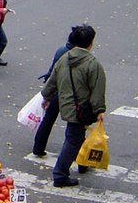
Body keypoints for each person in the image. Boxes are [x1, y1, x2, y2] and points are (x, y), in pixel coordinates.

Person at [41, 24, 107, 187]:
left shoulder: (64, 58)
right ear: (90, 43)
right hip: (82, 108)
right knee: (73, 139)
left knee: (76, 136)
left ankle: (83, 164)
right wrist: (100, 110)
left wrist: (47, 96)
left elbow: (52, 81)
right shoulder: (92, 64)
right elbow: (97, 89)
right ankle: (60, 174)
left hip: (67, 105)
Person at [32, 32, 76, 158]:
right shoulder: (72, 56)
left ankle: (38, 147)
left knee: (48, 119)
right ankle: (74, 155)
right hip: (67, 93)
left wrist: (47, 95)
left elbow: (52, 73)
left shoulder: (61, 50)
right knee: (74, 126)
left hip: (54, 91)